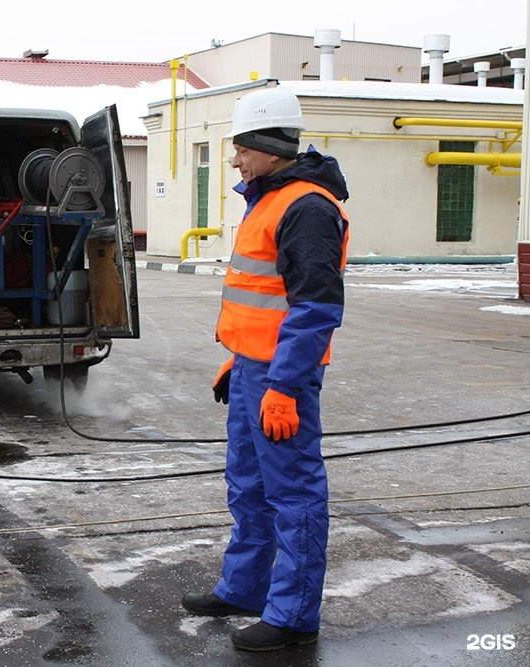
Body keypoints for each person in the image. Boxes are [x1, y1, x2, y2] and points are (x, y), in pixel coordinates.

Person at [181, 86, 349, 651]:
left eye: (240, 148)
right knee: (248, 487)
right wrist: (241, 359)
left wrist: (284, 384)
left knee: (294, 494)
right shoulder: (271, 199)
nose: (234, 159)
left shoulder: (306, 208)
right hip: (256, 369)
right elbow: (265, 299)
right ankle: (245, 588)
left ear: (267, 147)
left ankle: (293, 615)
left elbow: (316, 308)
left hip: (283, 379)